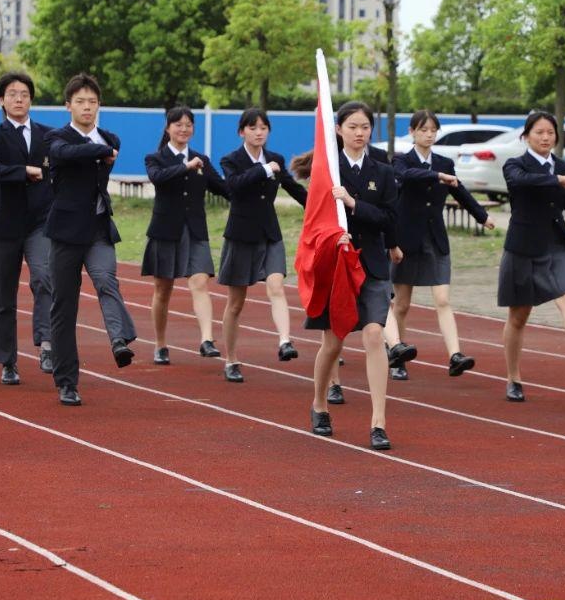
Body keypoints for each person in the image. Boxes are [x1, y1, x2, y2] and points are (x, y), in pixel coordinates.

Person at [306, 101, 399, 450]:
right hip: (338, 266)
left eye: (365, 127)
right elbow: (313, 220)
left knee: (375, 335)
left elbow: (390, 219)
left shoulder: (383, 171)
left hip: (372, 265)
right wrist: (334, 235)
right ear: (338, 130)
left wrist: (355, 205)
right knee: (332, 343)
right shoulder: (327, 171)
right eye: (353, 127)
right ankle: (319, 403)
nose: (360, 133)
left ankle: (378, 421)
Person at [44, 73, 137, 406]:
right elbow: (64, 153)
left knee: (106, 280)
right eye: (80, 101)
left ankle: (118, 341)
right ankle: (67, 381)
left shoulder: (110, 138)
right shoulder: (56, 138)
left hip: (98, 227)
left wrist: (102, 149)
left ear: (100, 105)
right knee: (64, 307)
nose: (87, 107)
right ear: (68, 105)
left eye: (92, 101)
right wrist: (98, 150)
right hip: (66, 232)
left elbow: (108, 150)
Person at [498, 111, 565, 403]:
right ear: (526, 136)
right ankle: (513, 377)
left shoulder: (563, 166)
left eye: (550, 133)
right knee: (518, 316)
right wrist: (556, 179)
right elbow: (522, 183)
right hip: (522, 246)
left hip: (555, 243)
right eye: (539, 132)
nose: (545, 138)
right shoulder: (515, 165)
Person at [389, 110, 495, 382]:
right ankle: (397, 356)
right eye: (423, 130)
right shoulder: (401, 160)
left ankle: (455, 355)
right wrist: (437, 176)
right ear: (412, 132)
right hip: (406, 240)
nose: (429, 134)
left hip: (435, 239)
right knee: (401, 304)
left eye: (433, 130)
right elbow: (409, 176)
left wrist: (482, 217)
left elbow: (460, 191)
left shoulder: (446, 163)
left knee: (443, 299)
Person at [218, 108, 308, 382]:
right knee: (236, 303)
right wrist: (263, 170)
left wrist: (322, 204)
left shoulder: (276, 160)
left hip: (270, 233)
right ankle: (231, 359)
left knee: (276, 287)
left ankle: (284, 341)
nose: (259, 133)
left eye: (263, 128)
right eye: (253, 128)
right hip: (241, 235)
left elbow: (295, 190)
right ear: (241, 131)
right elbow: (234, 186)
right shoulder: (231, 160)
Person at [0, 72, 54, 385]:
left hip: (39, 223)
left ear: (31, 99)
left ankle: (47, 343)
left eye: (24, 93)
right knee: (4, 296)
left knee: (44, 278)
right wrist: (21, 172)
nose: (18, 99)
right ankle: (8, 360)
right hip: (5, 226)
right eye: (12, 94)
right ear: (1, 100)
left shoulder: (48, 135)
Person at [142, 106, 230, 368]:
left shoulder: (201, 159)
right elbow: (158, 179)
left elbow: (226, 189)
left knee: (200, 282)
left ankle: (207, 340)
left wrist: (257, 177)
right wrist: (186, 166)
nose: (184, 129)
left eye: (188, 124)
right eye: (178, 124)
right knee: (163, 291)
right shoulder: (155, 158)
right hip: (165, 231)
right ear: (168, 128)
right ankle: (160, 344)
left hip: (195, 232)